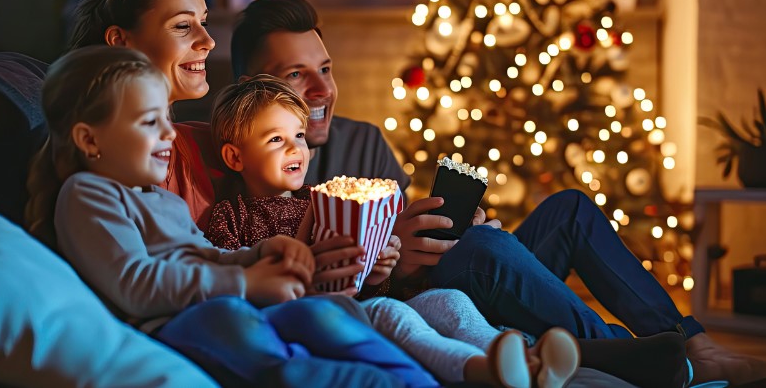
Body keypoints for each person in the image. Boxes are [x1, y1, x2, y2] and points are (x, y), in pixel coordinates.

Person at [228, 0, 766, 387]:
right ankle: (652, 361)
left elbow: (417, 229)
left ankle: (689, 343)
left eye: (325, 68)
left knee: (566, 210)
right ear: (251, 88)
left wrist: (452, 227)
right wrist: (391, 259)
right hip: (419, 310)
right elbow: (336, 292)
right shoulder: (249, 163)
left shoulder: (363, 139)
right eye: (294, 75)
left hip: (444, 274)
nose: (321, 89)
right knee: (481, 256)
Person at [27, 0, 424, 386]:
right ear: (120, 43)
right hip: (198, 318)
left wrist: (271, 254)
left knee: (333, 316)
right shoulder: (102, 183)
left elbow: (208, 249)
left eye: (203, 21)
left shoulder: (189, 159)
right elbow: (147, 278)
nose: (209, 39)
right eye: (183, 25)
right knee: (247, 323)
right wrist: (250, 278)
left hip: (248, 299)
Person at [204, 73, 583, 387]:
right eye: (276, 139)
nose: (296, 149)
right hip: (324, 315)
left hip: (369, 299)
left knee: (450, 302)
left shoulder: (326, 198)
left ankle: (523, 359)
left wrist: (380, 265)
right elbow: (238, 284)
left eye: (299, 136)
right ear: (235, 156)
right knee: (395, 317)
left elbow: (369, 276)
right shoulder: (231, 217)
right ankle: (486, 371)